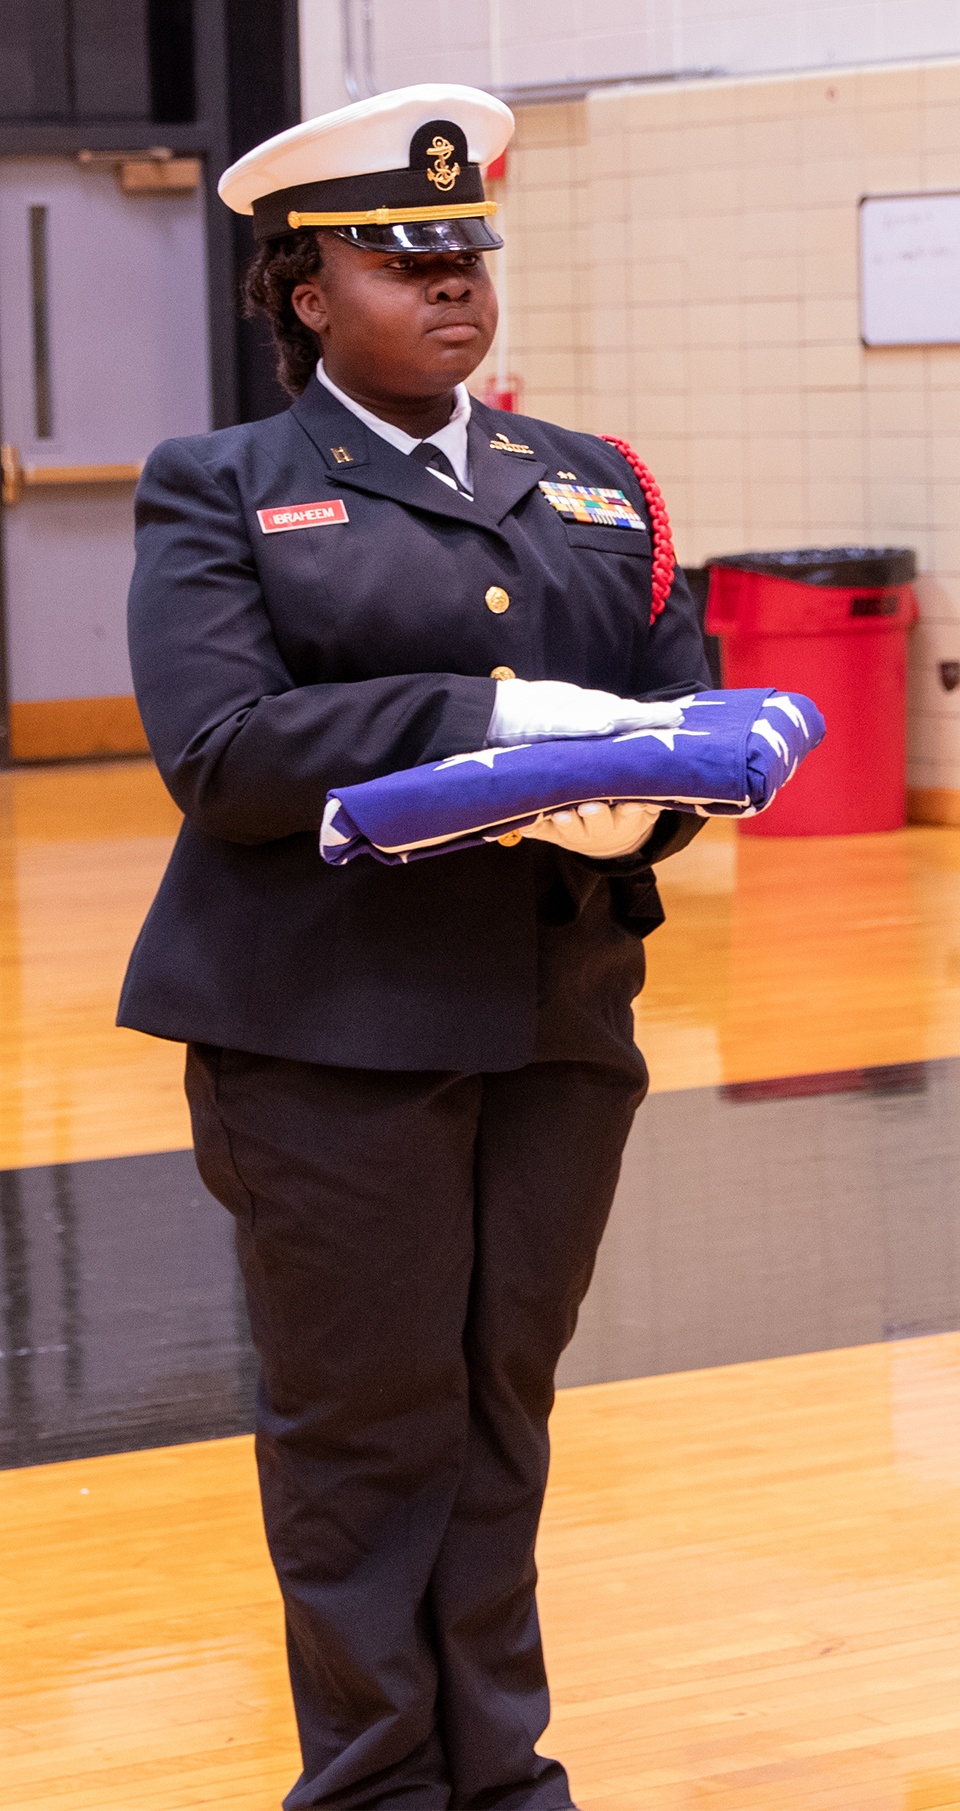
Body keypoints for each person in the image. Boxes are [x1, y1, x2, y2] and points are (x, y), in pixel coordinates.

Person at [118, 83, 711, 1811]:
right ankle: (377, 1786)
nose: (452, 281)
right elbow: (221, 755)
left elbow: (683, 720)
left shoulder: (595, 486)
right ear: (309, 294)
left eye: (467, 250)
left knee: (499, 1409)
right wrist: (494, 717)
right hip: (327, 1029)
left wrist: (644, 806)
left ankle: (503, 1775)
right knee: (365, 1434)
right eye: (402, 257)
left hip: (554, 1022)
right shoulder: (223, 487)